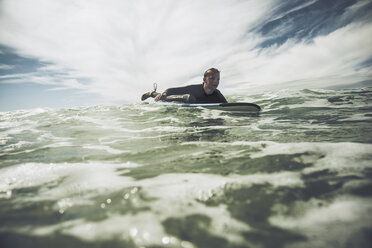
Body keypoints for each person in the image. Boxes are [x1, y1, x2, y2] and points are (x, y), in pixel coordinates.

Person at [141, 68, 227, 103]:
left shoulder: (217, 93)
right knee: (190, 98)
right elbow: (172, 90)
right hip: (179, 97)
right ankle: (151, 93)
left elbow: (227, 105)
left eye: (218, 79)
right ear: (204, 80)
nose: (216, 82)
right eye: (212, 78)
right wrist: (164, 94)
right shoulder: (195, 89)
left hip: (193, 102)